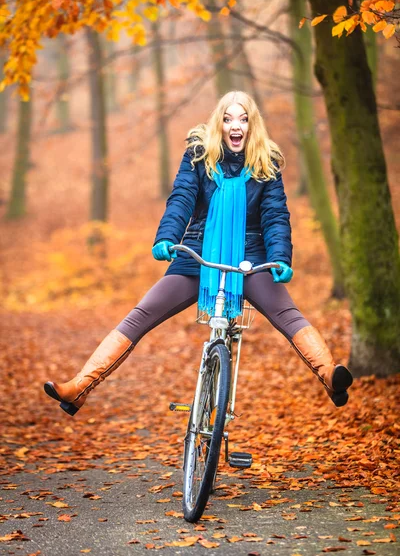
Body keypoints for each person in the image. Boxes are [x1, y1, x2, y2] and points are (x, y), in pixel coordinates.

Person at [44, 91, 353, 416]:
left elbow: (275, 215)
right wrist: (167, 237)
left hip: (251, 258)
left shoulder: (267, 164)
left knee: (288, 315)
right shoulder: (198, 156)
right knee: (141, 314)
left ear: (253, 126)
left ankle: (330, 376)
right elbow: (182, 198)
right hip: (197, 253)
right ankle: (79, 387)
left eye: (244, 119)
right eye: (229, 118)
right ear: (218, 123)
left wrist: (281, 257)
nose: (236, 126)